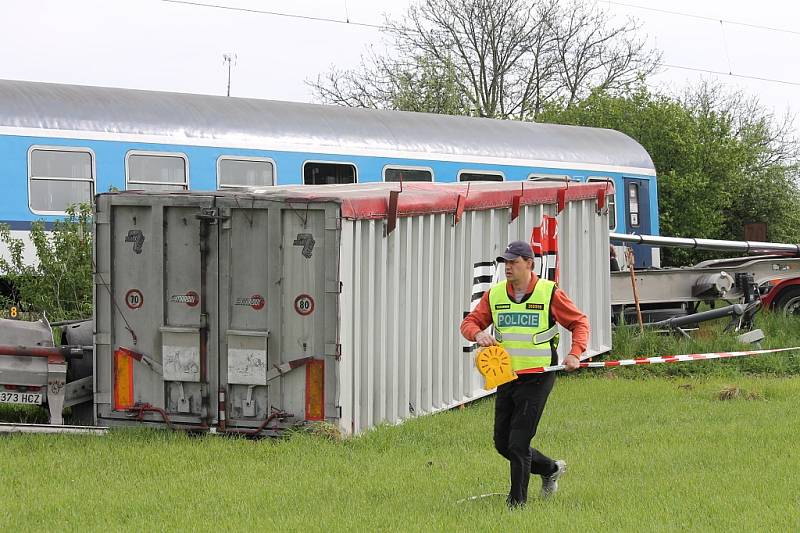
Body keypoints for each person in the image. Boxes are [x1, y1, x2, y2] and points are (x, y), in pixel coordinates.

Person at [460, 240, 590, 508]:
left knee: (519, 441)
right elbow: (469, 322)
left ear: (529, 264)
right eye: (506, 262)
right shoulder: (495, 295)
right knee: (502, 443)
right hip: (506, 377)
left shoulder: (548, 292)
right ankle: (550, 468)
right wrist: (478, 333)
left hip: (538, 376)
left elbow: (579, 322)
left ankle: (516, 504)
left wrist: (575, 353)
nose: (508, 267)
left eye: (514, 262)